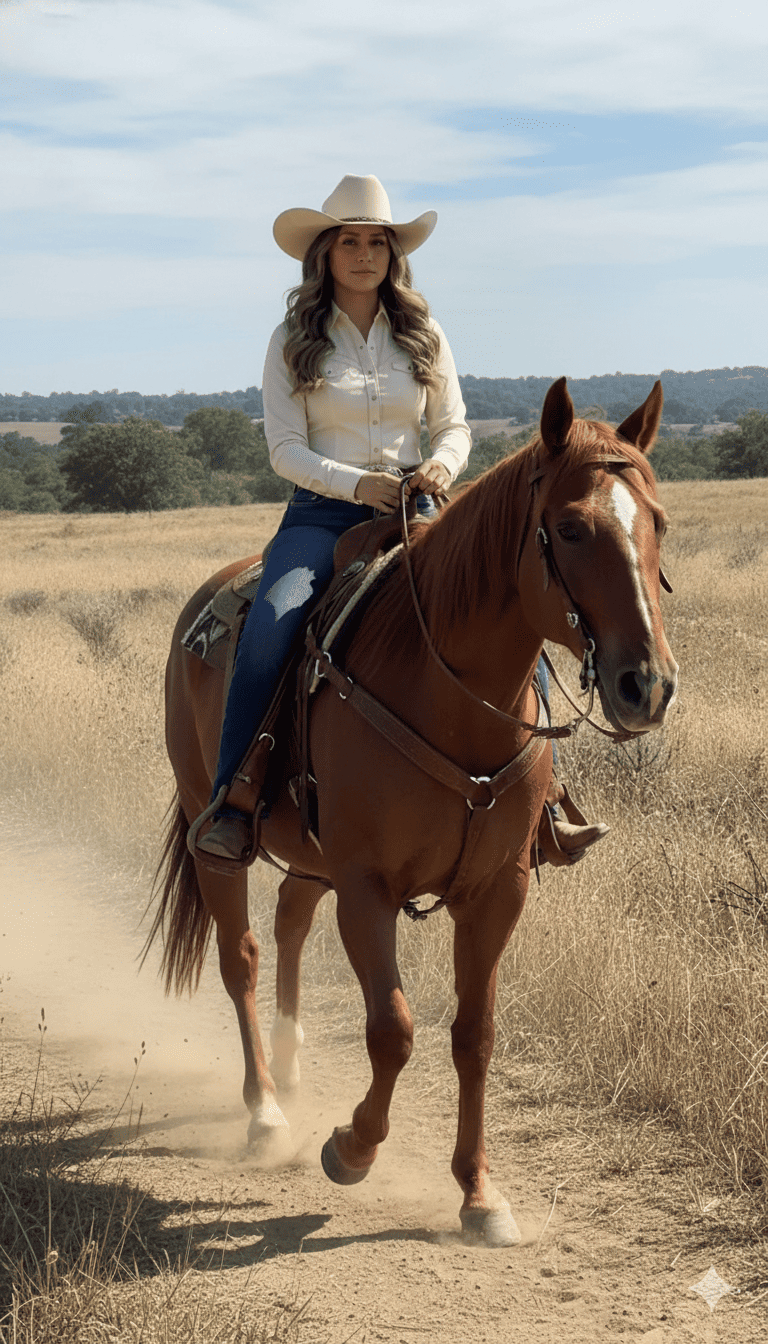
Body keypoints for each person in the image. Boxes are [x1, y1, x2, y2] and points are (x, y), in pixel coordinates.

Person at [195, 174, 605, 866]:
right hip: (323, 517)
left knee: (515, 620)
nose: (363, 254)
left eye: (377, 242)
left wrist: (442, 467)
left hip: (424, 510)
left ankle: (540, 804)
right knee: (270, 627)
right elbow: (284, 450)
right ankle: (237, 799)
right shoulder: (293, 338)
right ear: (324, 253)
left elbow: (454, 425)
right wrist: (359, 484)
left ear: (393, 253)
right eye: (349, 241)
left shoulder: (423, 332)